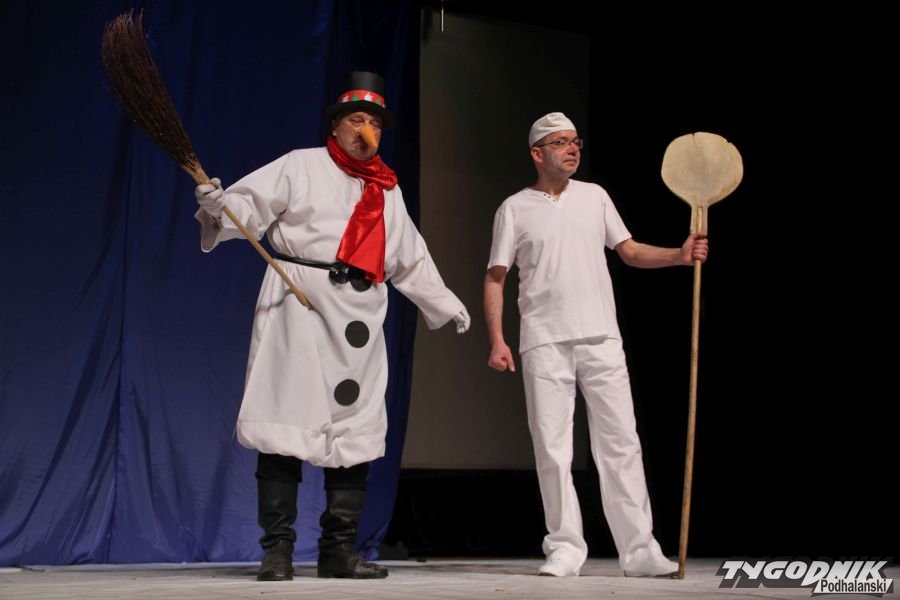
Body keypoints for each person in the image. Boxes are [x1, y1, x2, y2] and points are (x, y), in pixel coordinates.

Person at [194, 71, 470, 581]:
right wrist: (220, 207)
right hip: (298, 307)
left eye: (376, 124)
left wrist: (444, 304)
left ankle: (338, 551)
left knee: (354, 430)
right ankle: (277, 551)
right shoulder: (301, 165)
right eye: (358, 119)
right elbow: (247, 208)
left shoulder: (386, 189)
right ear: (337, 126)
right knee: (284, 422)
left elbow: (409, 256)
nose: (367, 130)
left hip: (359, 314)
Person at [483, 112, 707, 578]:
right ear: (537, 153)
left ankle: (640, 550)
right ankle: (565, 547)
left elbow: (630, 251)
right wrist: (498, 338)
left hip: (601, 336)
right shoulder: (515, 208)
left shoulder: (595, 196)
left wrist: (679, 256)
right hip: (544, 340)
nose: (572, 149)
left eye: (575, 141)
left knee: (621, 442)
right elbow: (496, 276)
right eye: (560, 142)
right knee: (552, 448)